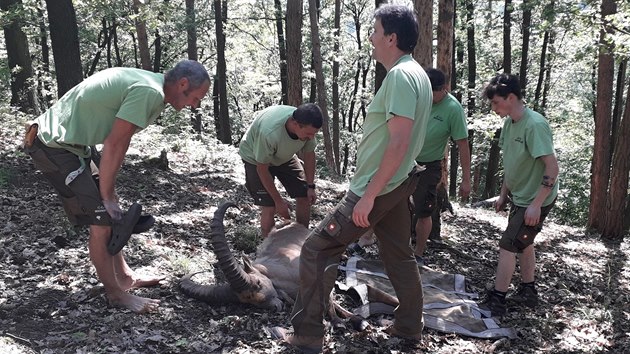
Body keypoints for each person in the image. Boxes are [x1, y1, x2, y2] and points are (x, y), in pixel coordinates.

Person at [271, 4, 432, 352]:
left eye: (375, 31)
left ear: (391, 37)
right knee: (399, 254)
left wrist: (370, 195)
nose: (371, 38)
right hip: (398, 182)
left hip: (378, 187)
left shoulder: (402, 76)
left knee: (316, 249)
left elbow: (400, 140)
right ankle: (408, 328)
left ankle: (307, 336)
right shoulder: (416, 73)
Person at [23, 60, 211, 313]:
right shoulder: (150, 91)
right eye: (196, 98)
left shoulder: (153, 87)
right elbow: (113, 145)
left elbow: (120, 143)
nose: (194, 105)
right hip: (53, 144)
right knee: (101, 219)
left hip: (75, 146)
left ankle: (124, 278)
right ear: (183, 84)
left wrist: (109, 194)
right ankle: (116, 295)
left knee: (110, 212)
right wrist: (107, 195)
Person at [347, 68, 471, 265]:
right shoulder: (416, 97)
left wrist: (466, 178)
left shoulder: (453, 109)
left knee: (424, 209)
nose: (429, 96)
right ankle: (366, 238)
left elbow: (462, 144)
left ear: (444, 89)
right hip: (403, 159)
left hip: (429, 165)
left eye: (434, 92)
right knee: (381, 195)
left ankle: (419, 253)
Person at [478, 73, 559, 317]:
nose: (493, 108)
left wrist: (536, 205)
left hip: (536, 198)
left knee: (508, 245)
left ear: (511, 97)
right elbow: (511, 163)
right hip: (520, 196)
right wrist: (504, 194)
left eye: (496, 102)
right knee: (524, 243)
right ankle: (528, 290)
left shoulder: (535, 124)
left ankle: (498, 299)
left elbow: (552, 167)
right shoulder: (508, 123)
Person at [239, 103, 323, 238]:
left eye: (314, 134)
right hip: (255, 159)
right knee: (269, 206)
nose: (311, 137)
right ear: (295, 124)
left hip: (283, 156)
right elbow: (262, 169)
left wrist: (310, 185)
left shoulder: (308, 128)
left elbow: (309, 154)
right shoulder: (269, 133)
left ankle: (300, 241)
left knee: (304, 195)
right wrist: (278, 202)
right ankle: (268, 251)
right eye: (308, 134)